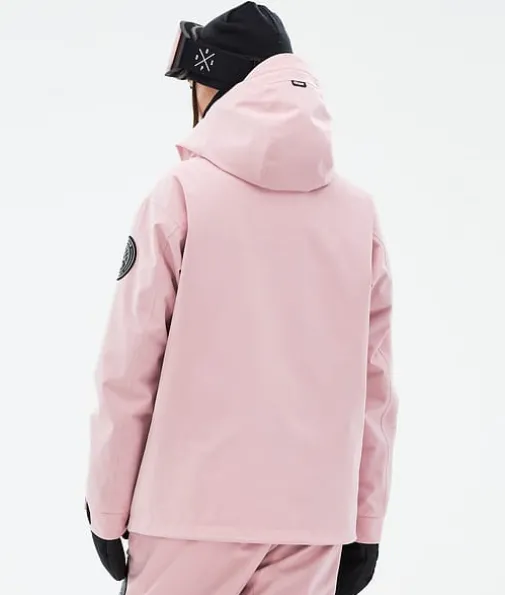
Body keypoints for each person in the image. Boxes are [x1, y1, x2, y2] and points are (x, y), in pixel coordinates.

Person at [85, 3, 399, 595]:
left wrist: (106, 505)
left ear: (218, 86)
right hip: (312, 522)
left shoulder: (180, 196)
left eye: (197, 85)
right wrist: (365, 522)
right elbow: (374, 385)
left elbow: (129, 368)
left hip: (186, 517)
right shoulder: (360, 216)